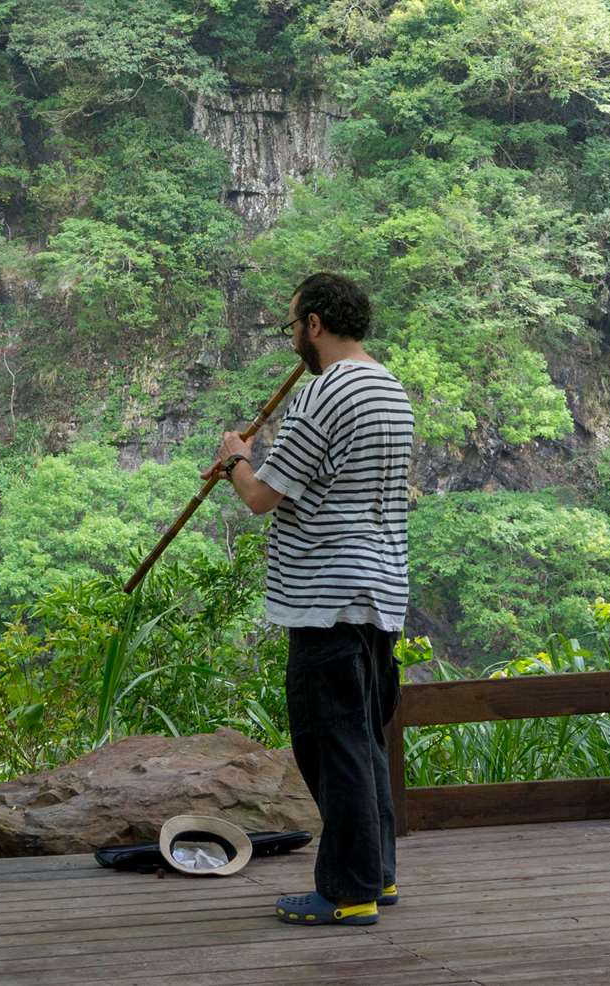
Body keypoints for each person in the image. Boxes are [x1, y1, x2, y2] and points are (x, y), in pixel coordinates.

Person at [210, 270, 414, 929]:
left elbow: (262, 497)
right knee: (363, 741)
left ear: (316, 325)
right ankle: (374, 876)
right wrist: (259, 460)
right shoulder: (389, 389)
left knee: (334, 745)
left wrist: (237, 455)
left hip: (327, 594)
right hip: (380, 588)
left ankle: (346, 891)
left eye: (293, 324)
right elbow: (321, 477)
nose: (293, 335)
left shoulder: (325, 393)